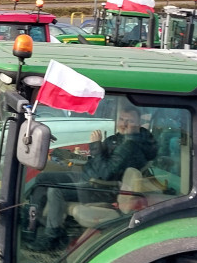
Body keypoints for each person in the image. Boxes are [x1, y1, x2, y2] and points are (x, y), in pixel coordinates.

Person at [25, 104, 158, 251]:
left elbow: (104, 173)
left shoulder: (130, 146)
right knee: (42, 179)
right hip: (89, 176)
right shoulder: (120, 139)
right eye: (121, 119)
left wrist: (95, 145)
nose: (124, 124)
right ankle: (33, 223)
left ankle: (51, 236)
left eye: (130, 121)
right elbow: (100, 163)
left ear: (138, 124)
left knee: (55, 191)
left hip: (101, 187)